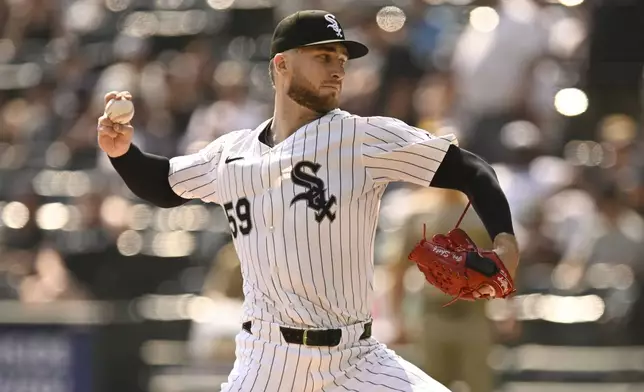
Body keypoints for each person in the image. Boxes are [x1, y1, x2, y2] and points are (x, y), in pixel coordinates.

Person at [97, 10, 519, 392]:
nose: (337, 69)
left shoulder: (362, 138)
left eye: (341, 59)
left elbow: (471, 170)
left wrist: (505, 240)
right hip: (265, 362)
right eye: (323, 57)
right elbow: (164, 185)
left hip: (355, 359)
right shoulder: (231, 153)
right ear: (281, 65)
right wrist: (122, 154)